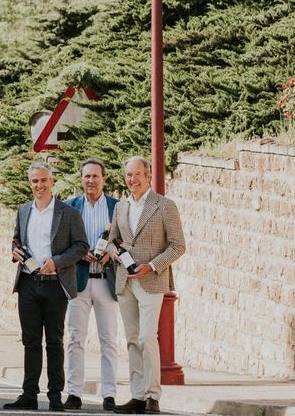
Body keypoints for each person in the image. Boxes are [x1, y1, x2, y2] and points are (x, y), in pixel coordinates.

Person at [3, 162, 88, 413]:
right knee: (30, 341)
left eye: (43, 181)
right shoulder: (23, 210)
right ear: (30, 184)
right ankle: (29, 394)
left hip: (55, 285)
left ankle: (54, 396)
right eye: (34, 182)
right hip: (28, 283)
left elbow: (81, 246)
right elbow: (16, 240)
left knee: (54, 341)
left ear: (51, 181)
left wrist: (57, 262)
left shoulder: (68, 213)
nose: (39, 185)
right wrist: (15, 251)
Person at [110, 157, 186, 415]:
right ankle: (138, 396)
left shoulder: (164, 206)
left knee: (146, 337)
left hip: (152, 280)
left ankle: (153, 396)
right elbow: (111, 241)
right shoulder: (120, 207)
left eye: (137, 174)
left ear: (149, 175)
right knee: (132, 339)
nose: (133, 179)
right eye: (128, 175)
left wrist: (151, 266)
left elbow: (178, 246)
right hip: (125, 281)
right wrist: (115, 253)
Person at [64, 160, 122, 411]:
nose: (91, 180)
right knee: (75, 338)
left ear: (104, 179)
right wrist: (78, 253)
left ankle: (109, 395)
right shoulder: (70, 206)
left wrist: (112, 251)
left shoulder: (117, 207)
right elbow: (61, 243)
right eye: (86, 176)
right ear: (81, 179)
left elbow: (125, 240)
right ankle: (74, 393)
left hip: (106, 281)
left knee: (108, 340)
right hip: (78, 280)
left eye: (95, 176)